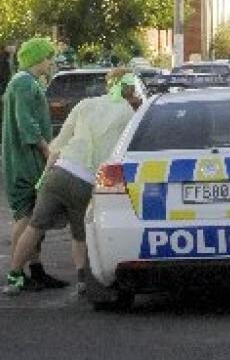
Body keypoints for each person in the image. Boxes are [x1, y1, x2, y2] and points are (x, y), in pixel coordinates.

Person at [6, 71, 140, 295]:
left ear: (109, 85)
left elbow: (58, 144)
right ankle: (82, 280)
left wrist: (44, 178)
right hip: (86, 181)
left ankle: (15, 276)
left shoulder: (86, 104)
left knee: (35, 227)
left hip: (58, 173)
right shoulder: (129, 114)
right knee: (80, 233)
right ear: (131, 90)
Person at [1, 37, 68, 292]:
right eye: (49, 57)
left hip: (21, 159)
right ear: (37, 58)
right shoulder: (24, 84)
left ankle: (35, 270)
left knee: (32, 215)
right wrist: (47, 151)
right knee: (28, 216)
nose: (51, 62)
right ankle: (16, 273)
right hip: (24, 161)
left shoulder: (22, 82)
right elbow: (27, 124)